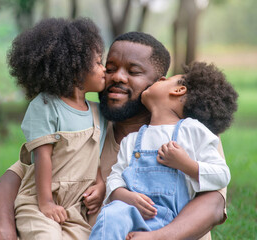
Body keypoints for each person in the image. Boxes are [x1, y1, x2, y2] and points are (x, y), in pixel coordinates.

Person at [0, 32, 227, 240]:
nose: (116, 77)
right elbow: (12, 178)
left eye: (133, 72)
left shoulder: (191, 133)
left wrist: (156, 237)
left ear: (159, 83)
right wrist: (6, 229)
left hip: (160, 235)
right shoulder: (88, 120)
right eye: (109, 67)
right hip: (87, 232)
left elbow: (213, 205)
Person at [89, 62, 238, 240]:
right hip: (130, 214)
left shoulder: (193, 131)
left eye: (167, 79)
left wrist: (186, 165)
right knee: (110, 215)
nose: (160, 79)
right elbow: (116, 176)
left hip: (172, 221)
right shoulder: (133, 140)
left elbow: (222, 175)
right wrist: (123, 194)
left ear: (179, 90)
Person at [3, 17, 108, 240]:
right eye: (98, 62)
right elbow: (42, 157)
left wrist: (100, 185)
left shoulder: (99, 112)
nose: (104, 69)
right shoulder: (45, 106)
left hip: (76, 209)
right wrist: (46, 202)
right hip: (39, 202)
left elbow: (94, 157)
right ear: (75, 66)